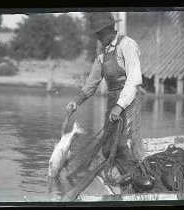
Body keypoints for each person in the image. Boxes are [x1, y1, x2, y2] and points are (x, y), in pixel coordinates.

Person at [66, 12, 145, 190]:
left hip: (129, 99)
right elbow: (92, 82)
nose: (99, 38)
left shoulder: (127, 44)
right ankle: (126, 180)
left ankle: (138, 182)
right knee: (108, 148)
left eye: (101, 33)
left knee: (126, 144)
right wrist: (77, 101)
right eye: (97, 34)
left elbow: (134, 80)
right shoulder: (102, 52)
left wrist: (120, 105)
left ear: (111, 29)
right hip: (112, 100)